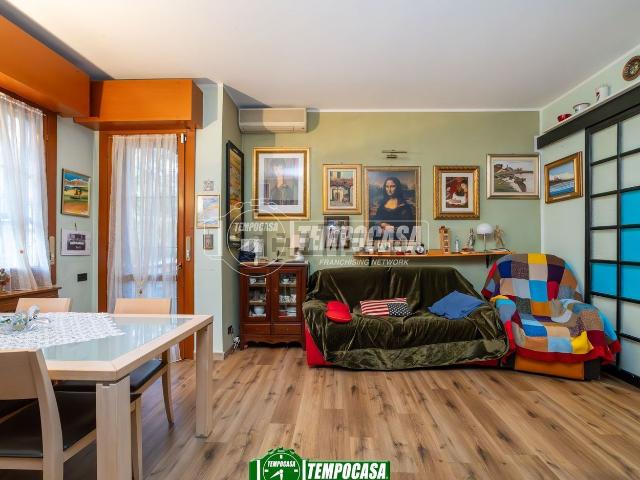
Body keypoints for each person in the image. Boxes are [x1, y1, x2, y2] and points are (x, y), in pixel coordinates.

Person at [371, 177, 415, 241]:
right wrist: (382, 224)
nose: (389, 189)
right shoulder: (382, 205)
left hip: (398, 239)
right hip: (382, 240)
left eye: (392, 186)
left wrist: (391, 229)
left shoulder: (405, 206)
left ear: (398, 187)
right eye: (387, 186)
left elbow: (409, 227)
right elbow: (375, 220)